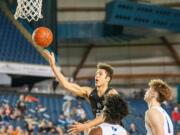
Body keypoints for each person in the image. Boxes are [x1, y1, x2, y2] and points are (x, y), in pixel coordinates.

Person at [43, 50, 118, 134]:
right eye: (96, 73)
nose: (96, 75)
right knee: (88, 128)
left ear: (107, 79)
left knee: (88, 127)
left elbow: (104, 116)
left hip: (114, 130)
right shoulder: (89, 92)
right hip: (101, 129)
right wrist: (53, 66)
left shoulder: (112, 93)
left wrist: (85, 126)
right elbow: (66, 85)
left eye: (100, 74)